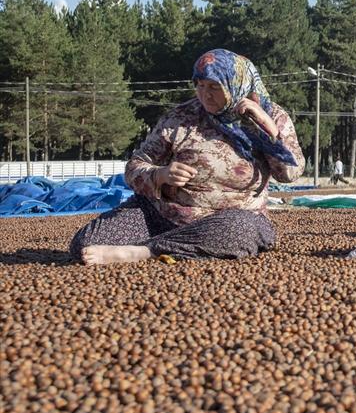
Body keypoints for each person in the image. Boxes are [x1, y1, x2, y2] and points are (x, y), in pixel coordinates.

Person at [69, 49, 305, 266]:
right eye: (199, 85)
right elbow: (134, 167)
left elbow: (290, 174)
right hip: (164, 216)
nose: (205, 95)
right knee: (84, 244)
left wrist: (268, 129)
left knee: (240, 231)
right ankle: (178, 245)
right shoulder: (182, 116)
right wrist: (159, 175)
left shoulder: (271, 116)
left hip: (229, 221)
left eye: (213, 87)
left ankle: (146, 251)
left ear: (235, 84)